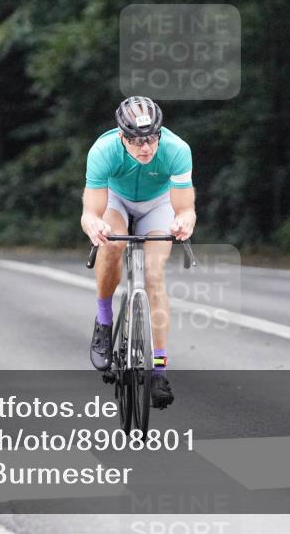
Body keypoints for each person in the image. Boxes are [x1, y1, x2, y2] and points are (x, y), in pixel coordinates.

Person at [80, 96, 196, 409]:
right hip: (116, 200)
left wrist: (184, 221)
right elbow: (91, 211)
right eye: (135, 140)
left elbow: (185, 208)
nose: (145, 148)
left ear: (160, 133)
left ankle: (160, 370)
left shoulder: (177, 149)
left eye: (151, 139)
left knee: (154, 274)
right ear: (122, 136)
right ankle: (104, 321)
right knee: (113, 243)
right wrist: (93, 225)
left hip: (158, 203)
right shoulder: (103, 151)